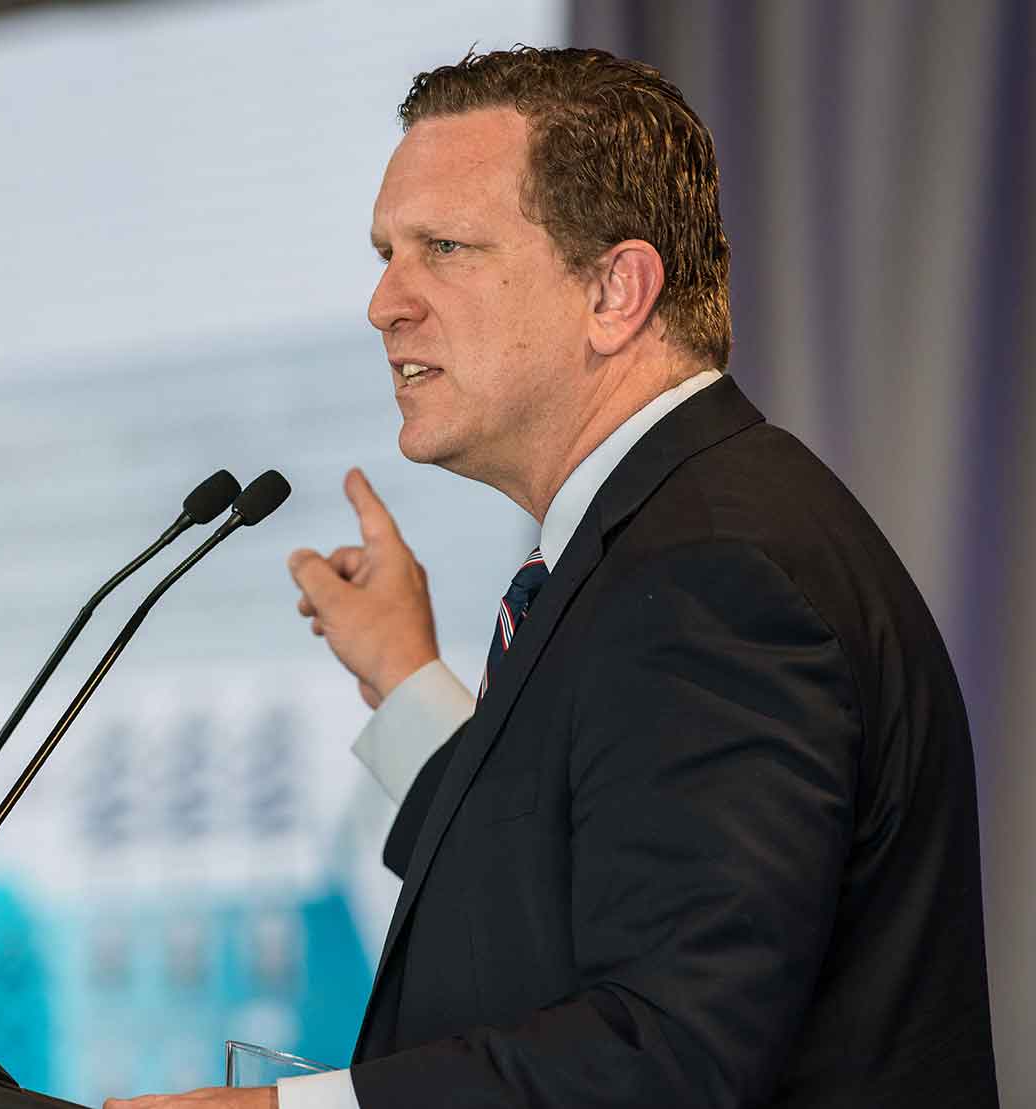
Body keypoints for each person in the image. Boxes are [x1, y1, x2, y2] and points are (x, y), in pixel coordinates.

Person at [106, 46, 997, 1109]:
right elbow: (553, 870)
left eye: (444, 247)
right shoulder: (669, 538)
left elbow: (674, 1049)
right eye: (388, 251)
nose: (385, 301)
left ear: (615, 291)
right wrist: (404, 678)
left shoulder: (716, 571)